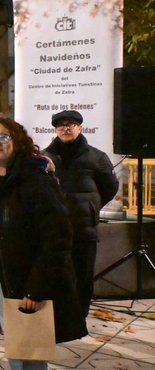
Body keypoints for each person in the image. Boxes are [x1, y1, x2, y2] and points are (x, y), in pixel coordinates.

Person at [0, 115, 87, 370]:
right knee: (15, 342)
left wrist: (37, 286)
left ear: (17, 142)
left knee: (30, 348)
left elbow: (57, 237)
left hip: (25, 281)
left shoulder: (35, 180)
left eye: (3, 137)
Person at [43, 110, 119, 319]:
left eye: (71, 124)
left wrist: (91, 206)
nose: (66, 128)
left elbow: (110, 187)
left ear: (80, 128)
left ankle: (79, 316)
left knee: (82, 275)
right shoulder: (45, 156)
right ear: (55, 130)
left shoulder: (97, 156)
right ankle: (58, 317)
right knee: (55, 273)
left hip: (83, 227)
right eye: (61, 125)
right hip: (54, 228)